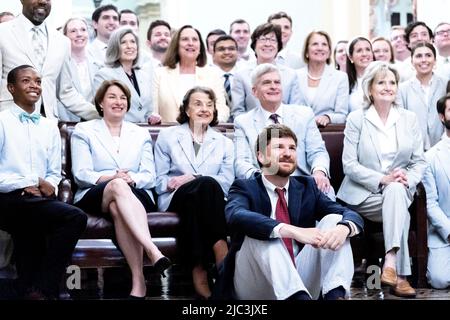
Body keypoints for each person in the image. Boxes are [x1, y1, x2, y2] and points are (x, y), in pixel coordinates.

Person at [213, 124, 363, 300]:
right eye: (279, 147)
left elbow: (350, 214)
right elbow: (235, 215)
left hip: (298, 281)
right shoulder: (244, 187)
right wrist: (291, 230)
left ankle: (334, 296)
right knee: (264, 233)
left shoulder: (307, 187)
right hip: (253, 285)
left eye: (292, 148)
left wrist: (343, 228)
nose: (287, 153)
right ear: (260, 156)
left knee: (335, 220)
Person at [71, 79, 171, 299]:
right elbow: (82, 173)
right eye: (112, 97)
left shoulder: (140, 133)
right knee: (116, 186)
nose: (118, 102)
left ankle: (138, 280)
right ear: (100, 103)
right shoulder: (84, 130)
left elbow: (149, 175)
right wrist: (112, 177)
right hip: (96, 192)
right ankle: (152, 250)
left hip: (135, 191)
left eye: (123, 98)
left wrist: (130, 180)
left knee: (118, 206)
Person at [337, 61, 427, 298]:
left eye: (392, 82)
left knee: (397, 192)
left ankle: (389, 264)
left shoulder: (409, 119)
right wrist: (382, 179)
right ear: (370, 89)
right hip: (363, 195)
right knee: (399, 206)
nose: (388, 87)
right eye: (381, 82)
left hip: (398, 191)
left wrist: (407, 179)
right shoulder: (357, 119)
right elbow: (349, 165)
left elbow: (419, 161)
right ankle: (400, 275)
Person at [0, 65, 87, 299]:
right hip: (6, 199)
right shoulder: (2, 122)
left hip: (36, 199)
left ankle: (30, 288)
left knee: (34, 230)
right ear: (11, 88)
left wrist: (47, 185)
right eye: (26, 81)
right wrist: (29, 181)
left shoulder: (49, 126)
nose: (34, 86)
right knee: (74, 216)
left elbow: (53, 173)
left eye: (38, 81)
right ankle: (44, 287)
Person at [154, 86, 234, 299]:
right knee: (202, 187)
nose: (204, 109)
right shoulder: (168, 136)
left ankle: (198, 269)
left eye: (209, 104)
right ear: (186, 110)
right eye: (198, 104)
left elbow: (227, 182)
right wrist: (177, 182)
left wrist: (195, 177)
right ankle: (220, 251)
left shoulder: (225, 143)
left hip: (207, 200)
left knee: (204, 188)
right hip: (175, 197)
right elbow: (157, 180)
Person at [234, 63, 333, 199]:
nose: (273, 86)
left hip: (303, 183)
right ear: (255, 91)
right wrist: (261, 179)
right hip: (264, 187)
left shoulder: (304, 114)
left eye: (277, 82)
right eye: (267, 83)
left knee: (328, 196)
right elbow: (241, 162)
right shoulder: (243, 122)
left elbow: (317, 151)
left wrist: (319, 172)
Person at [0, 0, 97, 120]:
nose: (42, 1)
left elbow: (66, 92)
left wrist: (101, 113)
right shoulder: (3, 32)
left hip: (48, 124)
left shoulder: (62, 41)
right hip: (9, 122)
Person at [152, 25, 228, 123]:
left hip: (205, 133)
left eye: (195, 39)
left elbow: (222, 109)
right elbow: (153, 111)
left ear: (200, 47)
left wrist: (211, 123)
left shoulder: (213, 74)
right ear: (176, 45)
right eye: (185, 39)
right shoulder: (159, 74)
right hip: (169, 134)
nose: (190, 43)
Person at [231, 23, 301, 119]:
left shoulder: (291, 75)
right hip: (252, 129)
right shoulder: (241, 74)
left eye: (272, 40)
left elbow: (296, 109)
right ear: (254, 45)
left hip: (285, 129)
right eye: (263, 39)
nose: (267, 44)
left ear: (278, 46)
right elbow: (237, 111)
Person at [94, 27, 156, 124]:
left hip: (143, 132)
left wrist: (152, 117)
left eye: (132, 42)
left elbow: (148, 109)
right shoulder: (104, 75)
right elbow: (102, 110)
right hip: (118, 131)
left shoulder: (144, 75)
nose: (129, 46)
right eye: (123, 42)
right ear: (115, 47)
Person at [422, 93, 450, 289]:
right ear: (442, 116)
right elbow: (430, 204)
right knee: (440, 280)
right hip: (445, 231)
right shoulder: (430, 157)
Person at [398, 42, 447, 150]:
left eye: (428, 55)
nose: (424, 60)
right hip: (414, 150)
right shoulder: (402, 89)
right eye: (419, 56)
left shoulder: (446, 84)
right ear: (412, 61)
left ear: (435, 60)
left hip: (444, 148)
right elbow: (402, 122)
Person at [297, 31, 349, 126]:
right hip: (297, 132)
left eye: (324, 44)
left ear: (329, 52)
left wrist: (327, 117)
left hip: (325, 132)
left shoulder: (340, 78)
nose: (320, 48)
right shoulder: (295, 76)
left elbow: (342, 115)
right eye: (315, 44)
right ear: (307, 50)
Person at [59, 17, 100, 121]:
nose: (79, 34)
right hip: (67, 123)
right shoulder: (58, 63)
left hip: (96, 124)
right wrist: (99, 114)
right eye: (73, 31)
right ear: (65, 36)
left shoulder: (99, 63)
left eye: (83, 30)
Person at [346, 37, 374, 112]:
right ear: (350, 57)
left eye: (368, 49)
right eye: (359, 51)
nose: (364, 54)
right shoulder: (345, 82)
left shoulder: (382, 78)